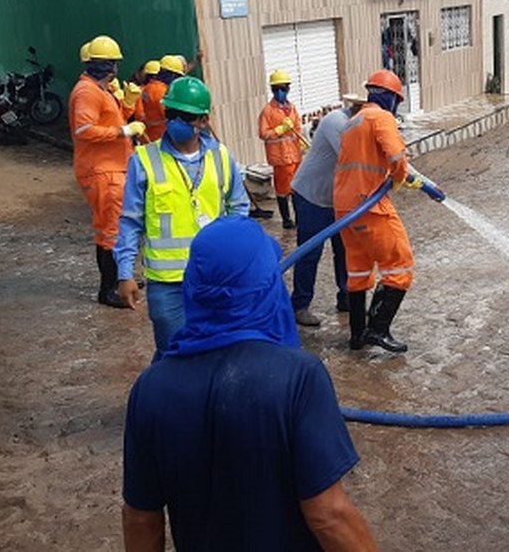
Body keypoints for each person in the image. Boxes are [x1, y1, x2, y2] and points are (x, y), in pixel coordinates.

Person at [122, 216, 377, 552]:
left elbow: (141, 519)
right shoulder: (298, 377)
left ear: (193, 285)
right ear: (265, 285)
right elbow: (328, 515)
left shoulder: (151, 388)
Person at [115, 77, 250, 360]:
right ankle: (169, 401)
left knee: (215, 350)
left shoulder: (222, 157)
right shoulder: (144, 161)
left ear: (202, 120)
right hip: (167, 284)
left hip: (213, 278)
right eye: (170, 114)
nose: (175, 122)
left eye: (184, 116)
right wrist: (125, 273)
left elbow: (238, 210)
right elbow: (130, 222)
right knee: (173, 353)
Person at [335, 70, 425, 354]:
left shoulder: (353, 121)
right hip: (369, 205)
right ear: (390, 98)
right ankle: (378, 329)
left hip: (344, 209)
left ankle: (357, 335)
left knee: (359, 270)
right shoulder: (381, 117)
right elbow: (397, 155)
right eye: (397, 100)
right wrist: (399, 178)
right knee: (401, 264)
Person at [68, 35, 146, 308]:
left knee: (115, 227)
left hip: (113, 168)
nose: (113, 69)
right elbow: (84, 129)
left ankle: (120, 279)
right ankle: (109, 289)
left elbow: (111, 119)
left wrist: (127, 105)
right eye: (109, 63)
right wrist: (123, 131)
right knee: (110, 231)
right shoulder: (87, 92)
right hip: (102, 171)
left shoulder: (101, 90)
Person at [288, 95, 365, 327]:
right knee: (310, 252)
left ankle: (346, 297)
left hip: (336, 200)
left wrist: (421, 181)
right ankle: (299, 306)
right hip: (311, 196)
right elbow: (354, 158)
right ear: (359, 107)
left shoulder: (361, 127)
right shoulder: (335, 122)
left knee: (345, 250)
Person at [259, 69, 304, 229]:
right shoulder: (268, 111)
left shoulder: (291, 108)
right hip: (280, 157)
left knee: (297, 189)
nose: (280, 92)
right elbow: (263, 134)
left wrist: (303, 143)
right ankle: (286, 219)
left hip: (295, 155)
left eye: (283, 88)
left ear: (288, 88)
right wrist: (279, 129)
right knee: (283, 190)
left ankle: (300, 218)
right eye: (276, 89)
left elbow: (298, 127)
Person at [134, 55, 186, 143]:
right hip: (160, 138)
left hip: (147, 136)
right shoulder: (162, 92)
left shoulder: (147, 88)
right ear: (172, 75)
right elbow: (169, 116)